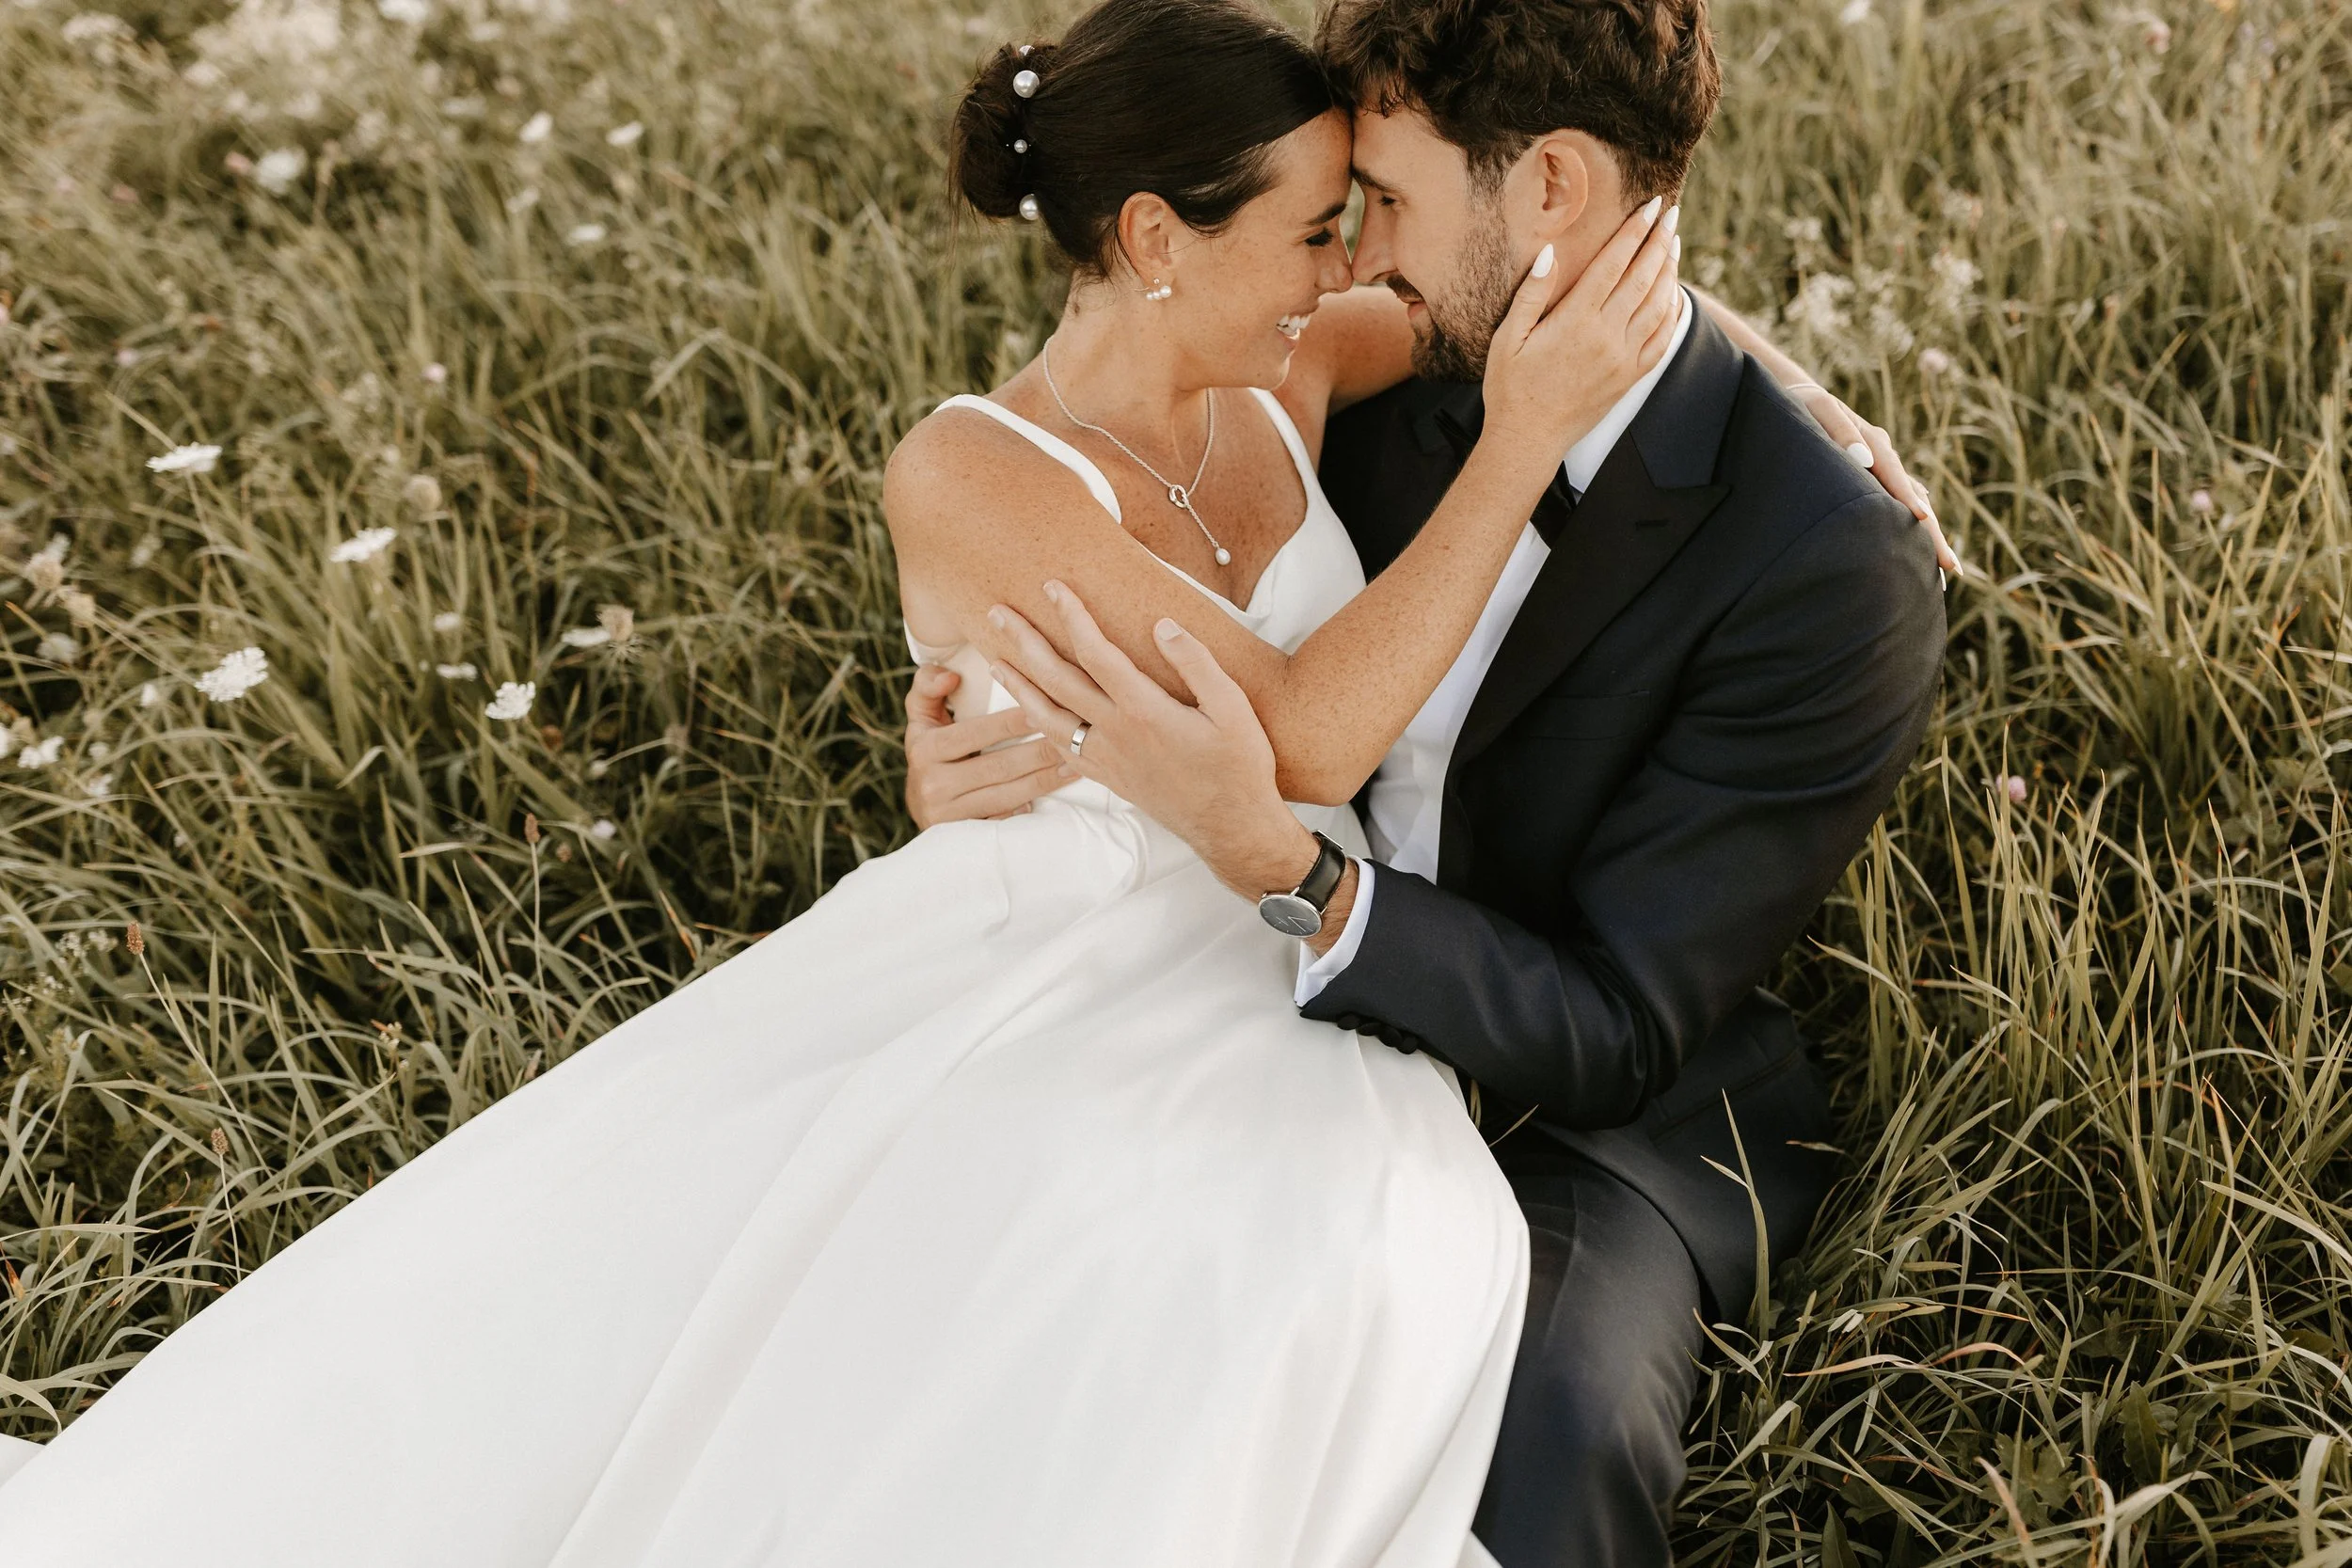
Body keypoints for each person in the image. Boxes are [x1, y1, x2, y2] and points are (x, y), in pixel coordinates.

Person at [0, 1, 1713, 1562]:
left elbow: (1548, 304)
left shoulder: (1292, 370)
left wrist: (1799, 412)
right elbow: (1307, 735)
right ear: (1151, 237)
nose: (1352, 271)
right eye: (1313, 232)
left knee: (1316, 1279)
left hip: (1270, 924)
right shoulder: (975, 468)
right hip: (1069, 938)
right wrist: (1508, 446)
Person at [938, 1, 1950, 1563]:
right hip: (1218, 1001)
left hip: (1576, 1107)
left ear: (1550, 191)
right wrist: (971, 752)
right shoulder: (1360, 353)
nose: (1350, 259)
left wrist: (1305, 874)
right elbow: (1090, 546)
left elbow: (1615, 1024)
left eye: (1385, 205)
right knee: (1071, 1353)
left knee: (1541, 1434)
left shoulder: (1826, 563)